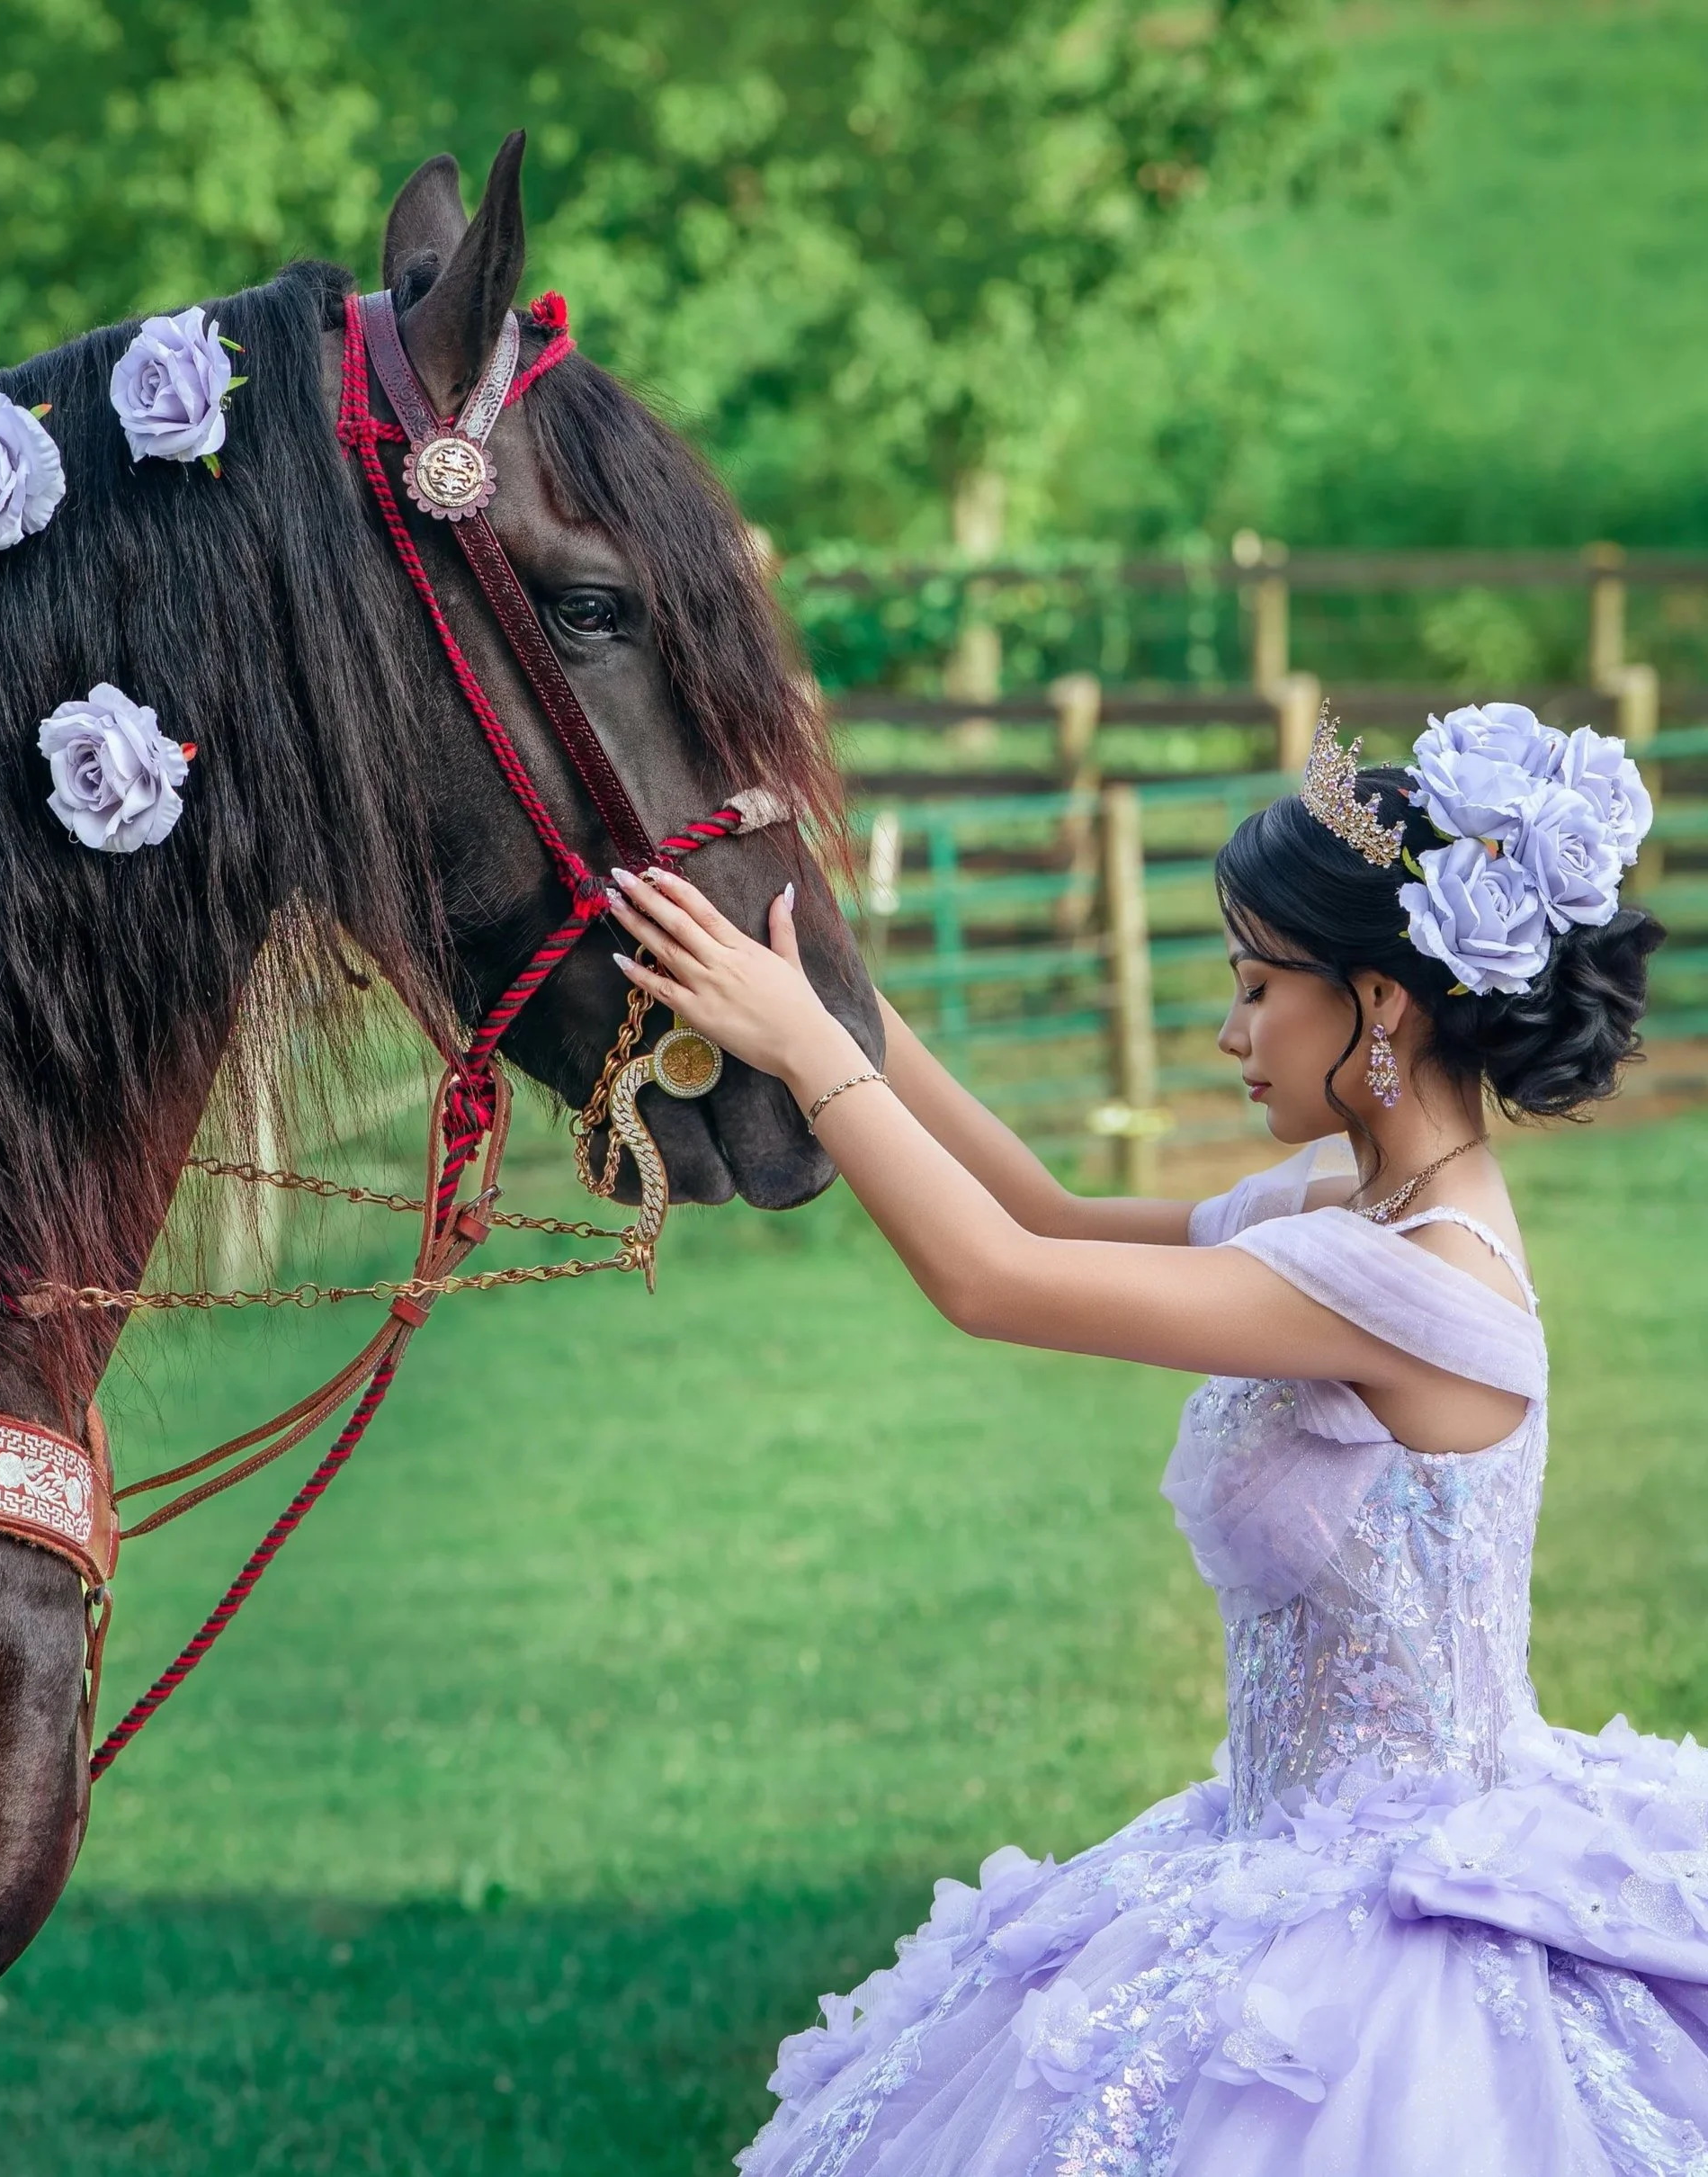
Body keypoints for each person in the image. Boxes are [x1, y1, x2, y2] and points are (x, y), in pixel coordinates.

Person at [604, 703, 1692, 2177]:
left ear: (1381, 1003)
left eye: (1257, 990)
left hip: (1386, 1921)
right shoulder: (1352, 1202)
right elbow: (1044, 1213)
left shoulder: (1411, 1278)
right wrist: (838, 993)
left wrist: (806, 1054)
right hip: (1271, 1839)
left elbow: (997, 1282)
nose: (1230, 1033)